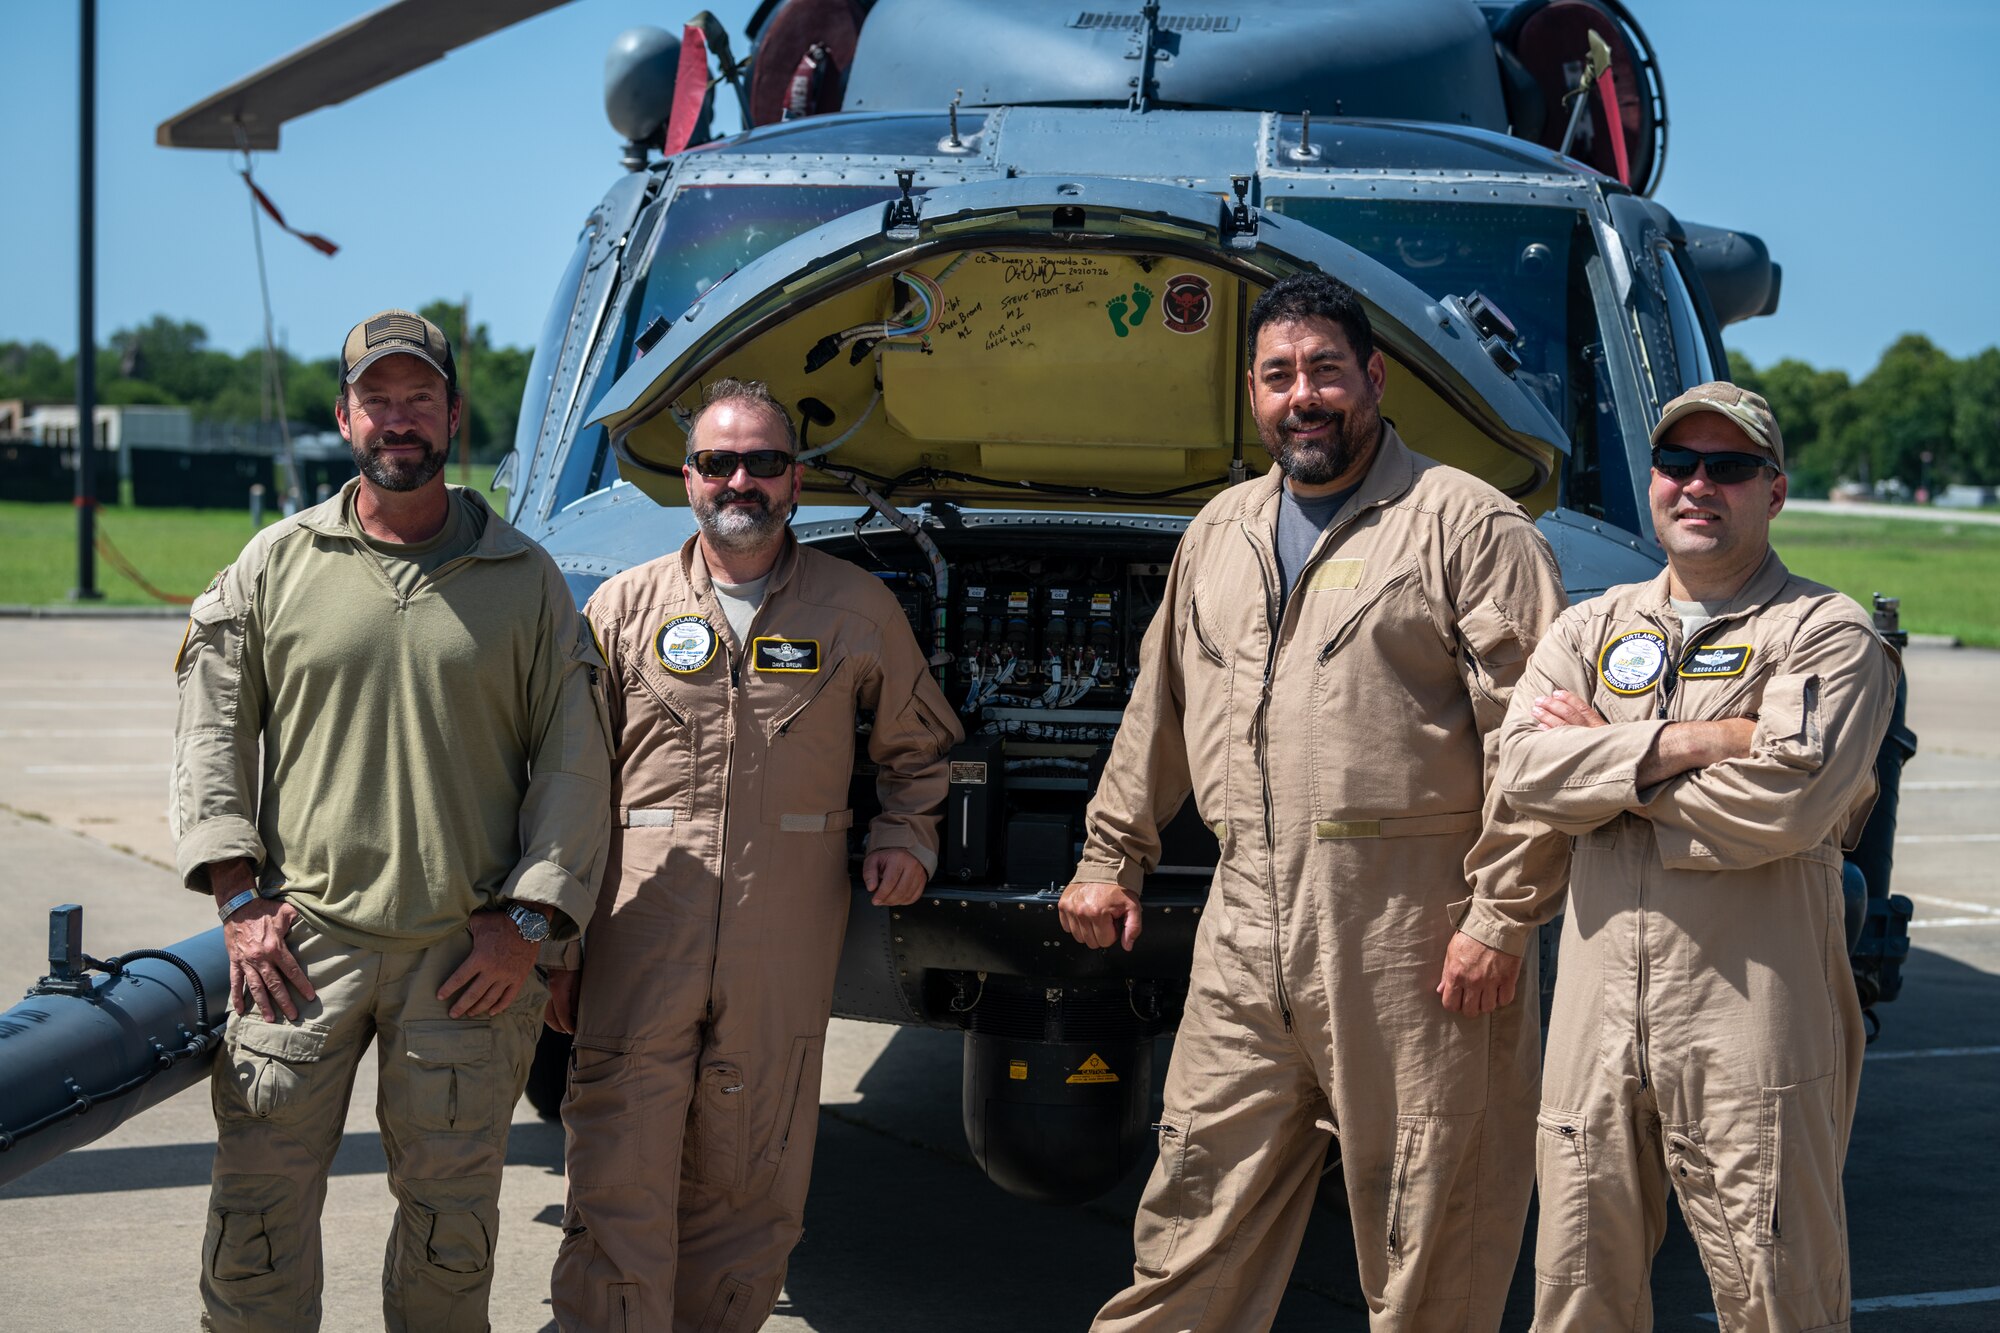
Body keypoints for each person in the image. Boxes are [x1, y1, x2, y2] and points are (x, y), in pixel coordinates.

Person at [1059, 271, 1570, 1331]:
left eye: (1325, 371)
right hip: (1245, 928)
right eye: (1279, 375)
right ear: (1251, 396)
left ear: (1373, 379)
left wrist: (1499, 917)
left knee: (1429, 1239)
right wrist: (1110, 854)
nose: (1304, 396)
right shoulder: (1220, 532)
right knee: (1189, 1217)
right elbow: (1157, 706)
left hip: (1413, 939)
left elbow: (1537, 750)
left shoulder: (1465, 526)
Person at [170, 307, 612, 1332]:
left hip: (467, 955)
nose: (397, 419)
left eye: (419, 398)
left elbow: (576, 764)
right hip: (298, 950)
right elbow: (211, 728)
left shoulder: (525, 579)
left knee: (448, 1228)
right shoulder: (277, 564)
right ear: (344, 416)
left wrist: (532, 921)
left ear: (454, 415)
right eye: (378, 398)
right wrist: (237, 897)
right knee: (256, 1215)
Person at [549, 379, 961, 1331]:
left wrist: (907, 836)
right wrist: (559, 944)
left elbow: (920, 751)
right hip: (637, 933)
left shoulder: (856, 610)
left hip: (782, 940)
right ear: (688, 476)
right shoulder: (621, 609)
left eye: (764, 463)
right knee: (618, 1162)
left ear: (796, 479)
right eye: (721, 462)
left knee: (753, 1169)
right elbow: (567, 785)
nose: (743, 480)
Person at [1496, 382, 1898, 1331]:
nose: (1698, 485)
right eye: (1679, 464)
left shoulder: (1825, 632)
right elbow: (1520, 769)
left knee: (1776, 1293)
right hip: (1594, 1028)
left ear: (1775, 489)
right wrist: (1692, 742)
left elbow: (1788, 803)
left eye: (1730, 466)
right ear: (1652, 481)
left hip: (1749, 1025)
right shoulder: (1591, 626)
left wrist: (1602, 764)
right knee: (1577, 1291)